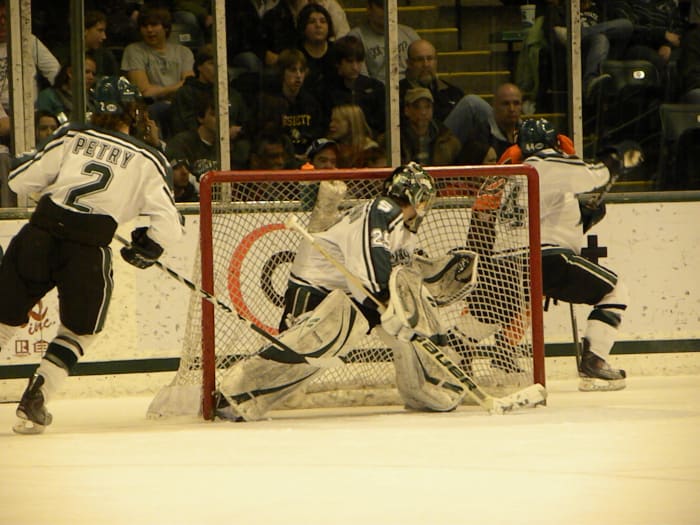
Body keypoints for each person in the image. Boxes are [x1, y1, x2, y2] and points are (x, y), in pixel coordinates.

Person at [0, 76, 184, 433]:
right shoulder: (149, 157)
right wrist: (150, 244)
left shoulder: (72, 134)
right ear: (132, 111)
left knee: (3, 320)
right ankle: (38, 394)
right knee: (79, 331)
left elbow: (19, 180)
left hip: (39, 234)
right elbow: (170, 226)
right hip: (87, 250)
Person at [217, 162, 468, 421]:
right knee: (320, 341)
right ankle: (235, 394)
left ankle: (425, 389)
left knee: (409, 314)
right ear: (414, 196)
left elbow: (399, 274)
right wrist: (386, 298)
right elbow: (371, 265)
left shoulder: (402, 229)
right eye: (424, 199)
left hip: (352, 293)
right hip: (316, 291)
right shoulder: (383, 210)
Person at [500, 118, 637, 391]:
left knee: (483, 318)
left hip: (505, 260)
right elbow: (594, 175)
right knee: (614, 291)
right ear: (554, 142)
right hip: (546, 259)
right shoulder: (550, 162)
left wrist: (578, 219)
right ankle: (594, 363)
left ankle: (454, 358)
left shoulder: (514, 175)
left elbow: (541, 212)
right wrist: (616, 160)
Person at [121, 6, 195, 140]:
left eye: (154, 25)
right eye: (145, 26)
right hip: (150, 107)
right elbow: (145, 92)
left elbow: (189, 85)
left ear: (166, 28)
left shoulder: (183, 52)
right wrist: (177, 87)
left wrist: (160, 91)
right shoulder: (133, 51)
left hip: (180, 106)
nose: (149, 30)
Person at [255, 49, 325, 159]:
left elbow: (318, 133)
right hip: (280, 157)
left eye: (302, 71)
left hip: (308, 157)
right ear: (282, 72)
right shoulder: (270, 102)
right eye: (293, 70)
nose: (298, 75)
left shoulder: (311, 103)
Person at [169, 44, 249, 137]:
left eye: (222, 63)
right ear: (199, 66)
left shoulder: (233, 94)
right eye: (212, 64)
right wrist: (223, 132)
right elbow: (184, 129)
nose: (218, 69)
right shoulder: (185, 94)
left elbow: (245, 124)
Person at [0, 0, 60, 115]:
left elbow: (55, 72)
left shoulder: (27, 40)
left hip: (30, 111)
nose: (2, 22)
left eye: (5, 17)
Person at [445, 82, 524, 159]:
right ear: (495, 106)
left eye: (516, 103)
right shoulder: (479, 137)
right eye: (506, 104)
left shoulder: (527, 133)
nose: (512, 109)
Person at [348, 0, 420, 84]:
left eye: (390, 5)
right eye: (381, 6)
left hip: (411, 87)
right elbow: (361, 78)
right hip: (378, 88)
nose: (387, 10)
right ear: (369, 9)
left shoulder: (409, 33)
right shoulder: (356, 37)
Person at [327, 35, 386, 135]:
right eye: (350, 61)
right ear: (338, 63)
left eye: (359, 61)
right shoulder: (326, 89)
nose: (355, 67)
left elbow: (382, 125)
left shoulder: (376, 87)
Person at [400, 39, 464, 124]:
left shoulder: (453, 92)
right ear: (409, 63)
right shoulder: (396, 94)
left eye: (430, 59)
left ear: (436, 61)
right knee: (472, 103)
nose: (426, 64)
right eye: (419, 59)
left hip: (449, 132)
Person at [400, 87, 460, 166]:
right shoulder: (396, 140)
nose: (423, 112)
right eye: (417, 107)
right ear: (407, 110)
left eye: (427, 107)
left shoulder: (447, 138)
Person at [165, 94, 218, 181]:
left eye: (222, 115)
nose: (219, 119)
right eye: (213, 115)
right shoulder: (181, 143)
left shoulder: (227, 146)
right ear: (200, 118)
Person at [53, 10, 120, 77]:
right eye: (100, 30)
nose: (104, 37)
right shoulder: (61, 54)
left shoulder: (106, 57)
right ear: (84, 30)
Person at [35, 55, 98, 124]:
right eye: (86, 72)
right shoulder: (48, 96)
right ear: (70, 73)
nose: (91, 77)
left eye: (93, 74)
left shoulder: (93, 100)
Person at [327, 103, 384, 168]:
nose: (331, 125)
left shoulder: (370, 151)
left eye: (337, 121)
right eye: (332, 121)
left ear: (352, 124)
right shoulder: (332, 148)